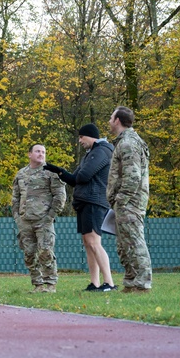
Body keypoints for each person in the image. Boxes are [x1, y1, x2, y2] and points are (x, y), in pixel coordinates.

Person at [44, 124, 116, 292]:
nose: (80, 141)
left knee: (94, 242)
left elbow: (83, 176)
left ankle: (109, 283)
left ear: (90, 136)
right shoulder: (90, 154)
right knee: (87, 243)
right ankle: (95, 283)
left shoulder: (101, 151)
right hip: (85, 202)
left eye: (81, 137)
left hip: (94, 202)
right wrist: (58, 171)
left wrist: (76, 175)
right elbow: (75, 179)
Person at [107, 106, 153, 292]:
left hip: (130, 203)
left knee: (134, 242)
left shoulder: (128, 143)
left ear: (118, 120)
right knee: (124, 244)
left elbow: (133, 176)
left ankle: (142, 284)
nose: (109, 121)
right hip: (126, 202)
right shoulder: (126, 142)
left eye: (111, 118)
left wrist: (121, 200)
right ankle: (131, 282)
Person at [12, 145, 67, 293]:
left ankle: (50, 284)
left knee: (45, 251)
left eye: (43, 152)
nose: (41, 154)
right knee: (29, 254)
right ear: (29, 154)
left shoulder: (51, 172)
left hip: (44, 220)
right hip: (25, 221)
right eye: (37, 151)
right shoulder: (21, 174)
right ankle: (38, 284)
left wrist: (50, 216)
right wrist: (17, 217)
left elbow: (60, 196)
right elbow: (15, 197)